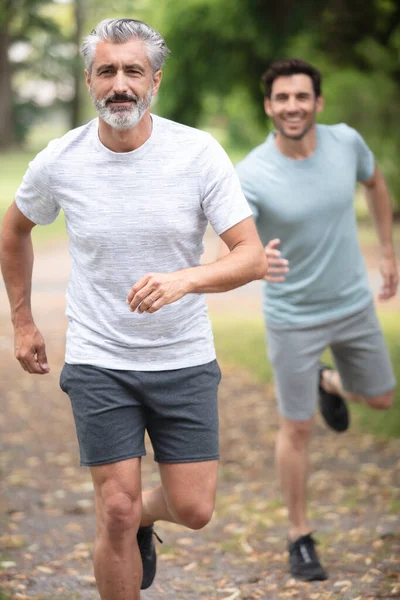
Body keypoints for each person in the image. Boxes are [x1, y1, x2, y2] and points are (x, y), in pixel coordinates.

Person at [0, 18, 268, 599]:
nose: (119, 84)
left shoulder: (197, 153)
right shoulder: (59, 160)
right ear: (90, 79)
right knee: (114, 508)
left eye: (133, 71)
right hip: (100, 358)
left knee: (195, 508)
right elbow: (14, 229)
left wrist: (186, 281)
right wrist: (22, 321)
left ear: (155, 81)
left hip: (183, 356)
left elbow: (249, 257)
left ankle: (148, 517)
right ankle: (129, 520)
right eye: (106, 71)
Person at [236, 58, 398, 582]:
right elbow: (235, 242)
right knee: (297, 426)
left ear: (318, 103)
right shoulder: (253, 173)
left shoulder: (346, 143)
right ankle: (299, 537)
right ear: (268, 106)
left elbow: (375, 184)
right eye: (281, 98)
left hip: (352, 304)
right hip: (293, 317)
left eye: (301, 96)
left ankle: (330, 380)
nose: (292, 106)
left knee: (381, 399)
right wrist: (258, 262)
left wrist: (388, 251)